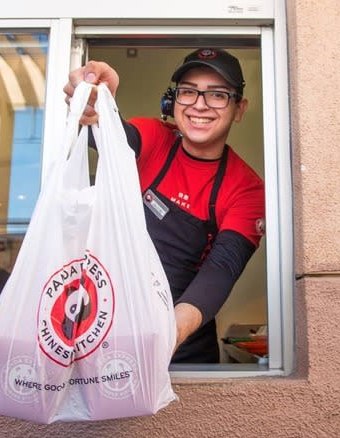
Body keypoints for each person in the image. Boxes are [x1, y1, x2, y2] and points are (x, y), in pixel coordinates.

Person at [63, 48, 266, 363]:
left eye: (217, 95)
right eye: (188, 92)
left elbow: (222, 269)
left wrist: (167, 335)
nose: (200, 105)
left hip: (184, 342)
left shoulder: (246, 188)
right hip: (111, 327)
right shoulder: (154, 138)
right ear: (174, 101)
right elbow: (110, 137)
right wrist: (95, 103)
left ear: (239, 109)